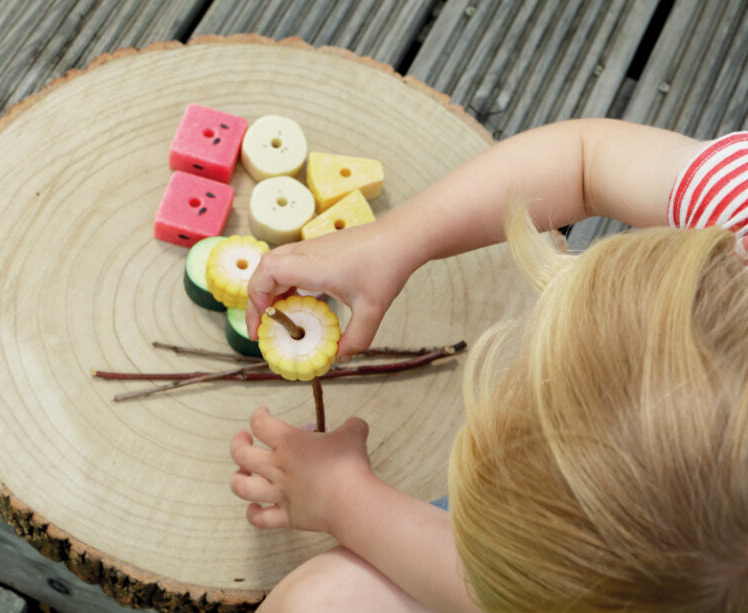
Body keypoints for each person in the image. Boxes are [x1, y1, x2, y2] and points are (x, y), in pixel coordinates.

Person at [228, 118, 748, 612]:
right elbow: (586, 160)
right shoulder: (736, 209)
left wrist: (348, 501)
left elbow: (489, 595)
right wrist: (398, 238)